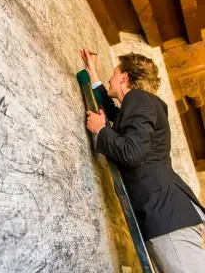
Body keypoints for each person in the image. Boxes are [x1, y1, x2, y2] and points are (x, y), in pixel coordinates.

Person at [81, 49, 205, 273]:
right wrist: (92, 72)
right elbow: (116, 115)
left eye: (114, 72)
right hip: (166, 216)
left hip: (166, 215)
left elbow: (132, 151)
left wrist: (101, 130)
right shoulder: (139, 105)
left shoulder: (138, 99)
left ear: (124, 77)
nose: (110, 77)